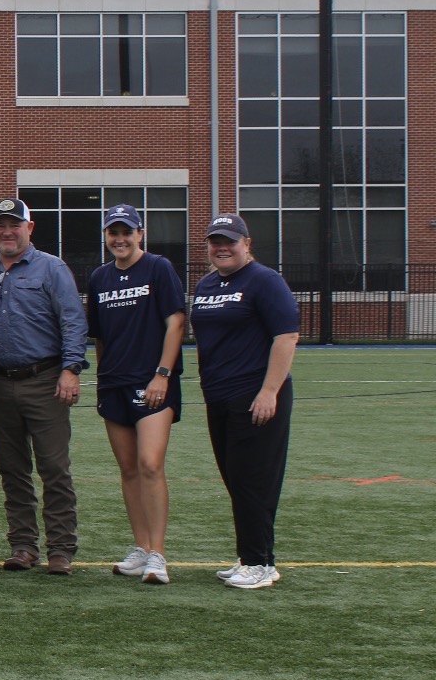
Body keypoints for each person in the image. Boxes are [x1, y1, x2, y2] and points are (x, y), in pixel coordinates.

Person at [190, 213, 300, 591]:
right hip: (218, 397)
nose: (222, 247)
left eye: (230, 241)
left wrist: (269, 391)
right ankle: (250, 554)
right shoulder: (206, 284)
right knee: (236, 478)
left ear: (246, 244)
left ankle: (260, 563)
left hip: (255, 397)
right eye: (215, 241)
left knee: (253, 480)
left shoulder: (265, 281)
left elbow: (286, 336)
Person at [0, 198, 89, 575]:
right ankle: (23, 545)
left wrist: (71, 369)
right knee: (12, 470)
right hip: (0, 382)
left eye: (14, 224)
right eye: (0, 225)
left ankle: (61, 549)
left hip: (45, 381)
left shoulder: (51, 268)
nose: (7, 231)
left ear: (30, 227)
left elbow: (73, 321)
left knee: (54, 468)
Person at [88, 204, 187, 586]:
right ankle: (142, 547)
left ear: (140, 234)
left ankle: (158, 555)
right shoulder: (99, 278)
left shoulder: (158, 268)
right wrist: (102, 379)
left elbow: (176, 322)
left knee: (149, 464)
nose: (120, 239)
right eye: (113, 232)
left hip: (152, 384)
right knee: (128, 469)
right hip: (114, 383)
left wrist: (162, 374)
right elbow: (99, 337)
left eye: (126, 231)